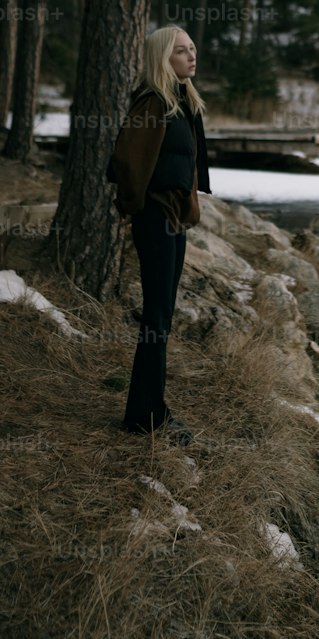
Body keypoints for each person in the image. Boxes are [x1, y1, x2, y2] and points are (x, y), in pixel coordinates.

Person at [108, 26, 211, 445]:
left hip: (172, 219)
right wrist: (136, 208)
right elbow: (126, 163)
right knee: (156, 318)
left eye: (193, 50)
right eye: (182, 52)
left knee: (162, 318)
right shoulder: (154, 103)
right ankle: (146, 416)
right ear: (162, 59)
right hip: (155, 219)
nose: (192, 57)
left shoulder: (184, 102)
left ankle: (147, 409)